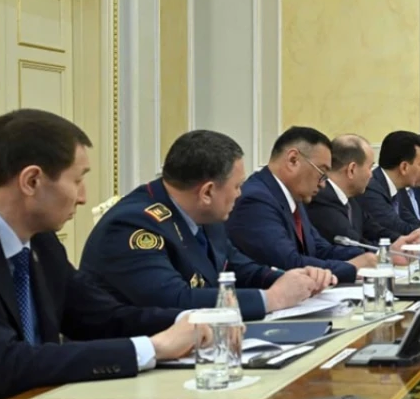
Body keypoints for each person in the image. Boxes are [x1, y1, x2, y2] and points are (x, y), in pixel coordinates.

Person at [0, 109, 197, 399]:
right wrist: (153, 349)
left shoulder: (42, 241)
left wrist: (190, 321)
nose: (83, 197)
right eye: (77, 180)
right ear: (31, 181)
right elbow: (3, 363)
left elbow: (100, 317)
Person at [81, 130, 330, 321]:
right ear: (207, 192)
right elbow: (175, 300)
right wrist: (272, 298)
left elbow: (238, 268)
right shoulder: (133, 225)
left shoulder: (205, 215)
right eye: (236, 186)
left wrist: (293, 280)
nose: (240, 194)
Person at [226, 127, 377, 284]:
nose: (323, 184)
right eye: (322, 173)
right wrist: (351, 268)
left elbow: (320, 249)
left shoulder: (295, 197)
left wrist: (371, 257)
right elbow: (289, 263)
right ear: (293, 160)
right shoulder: (255, 200)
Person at [306, 134, 404, 245]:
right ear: (351, 170)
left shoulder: (351, 199)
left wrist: (403, 240)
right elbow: (354, 244)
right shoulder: (321, 200)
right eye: (370, 168)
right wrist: (391, 249)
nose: (371, 175)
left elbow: (374, 230)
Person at [357, 130, 420, 238]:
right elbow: (398, 228)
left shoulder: (396, 188)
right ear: (404, 167)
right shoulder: (371, 188)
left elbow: (413, 222)